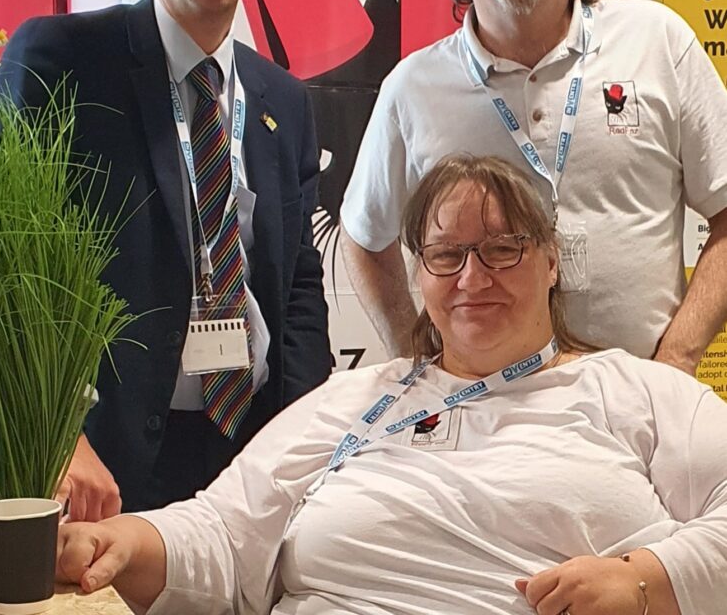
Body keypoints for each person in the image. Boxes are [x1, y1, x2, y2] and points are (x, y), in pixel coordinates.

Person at [56, 154, 727, 615]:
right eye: (445, 254)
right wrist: (122, 540)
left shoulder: (631, 392)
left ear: (550, 261)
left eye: (501, 249)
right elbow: (225, 533)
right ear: (420, 272)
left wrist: (645, 582)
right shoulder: (356, 399)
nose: (471, 278)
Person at [0, 0, 332, 517]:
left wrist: (303, 436)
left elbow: (298, 284)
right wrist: (55, 439)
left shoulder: (283, 101)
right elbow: (8, 262)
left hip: (254, 452)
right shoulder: (61, 60)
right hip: (103, 462)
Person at [339, 0, 727, 368]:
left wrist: (679, 360)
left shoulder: (657, 42)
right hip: (480, 420)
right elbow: (363, 236)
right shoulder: (413, 88)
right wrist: (413, 359)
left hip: (637, 414)